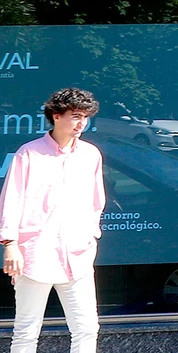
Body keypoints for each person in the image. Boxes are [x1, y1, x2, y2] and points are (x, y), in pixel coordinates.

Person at [0, 88, 104, 353]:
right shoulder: (29, 154)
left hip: (77, 253)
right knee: (26, 330)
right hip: (35, 253)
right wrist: (10, 244)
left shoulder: (90, 154)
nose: (82, 123)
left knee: (86, 328)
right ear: (56, 116)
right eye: (76, 116)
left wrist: (91, 235)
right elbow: (12, 199)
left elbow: (96, 201)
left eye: (85, 117)